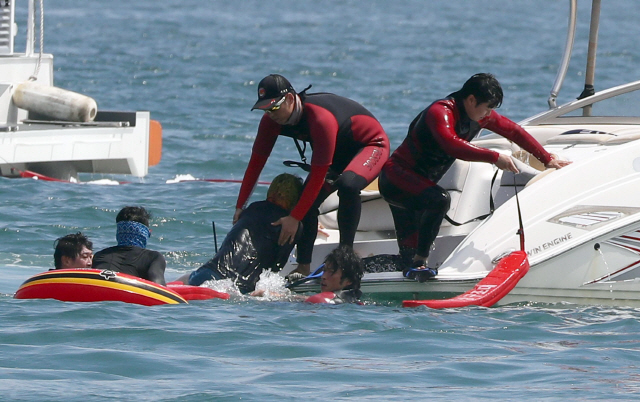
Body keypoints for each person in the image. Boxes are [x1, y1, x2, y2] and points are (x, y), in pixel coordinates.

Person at [379, 73, 572, 281]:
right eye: (487, 107)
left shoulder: (479, 115)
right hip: (396, 180)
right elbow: (451, 145)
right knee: (439, 200)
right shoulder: (440, 112)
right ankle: (420, 263)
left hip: (418, 187)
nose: (489, 114)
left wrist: (546, 159)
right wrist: (494, 157)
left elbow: (514, 131)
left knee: (405, 259)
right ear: (471, 100)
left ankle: (362, 269)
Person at [235, 74, 390, 277]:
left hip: (370, 146)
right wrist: (240, 207)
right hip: (336, 157)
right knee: (304, 204)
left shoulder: (320, 117)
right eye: (264, 108)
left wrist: (294, 218)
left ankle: (345, 258)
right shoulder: (270, 121)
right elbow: (255, 165)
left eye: (273, 107)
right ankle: (303, 267)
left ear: (290, 99)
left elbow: (318, 174)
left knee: (348, 185)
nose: (269, 113)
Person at [178, 173, 304, 294]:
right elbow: (275, 269)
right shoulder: (292, 227)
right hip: (237, 288)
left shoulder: (252, 208)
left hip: (205, 275)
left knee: (189, 278)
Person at [253, 245, 365, 305]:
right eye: (324, 270)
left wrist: (268, 296)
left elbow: (315, 300)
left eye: (331, 271)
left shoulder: (322, 300)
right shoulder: (355, 300)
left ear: (348, 280)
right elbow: (311, 299)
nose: (324, 276)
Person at [92, 206, 166, 285]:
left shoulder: (99, 256)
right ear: (147, 233)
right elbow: (159, 287)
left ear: (118, 232)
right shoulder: (154, 257)